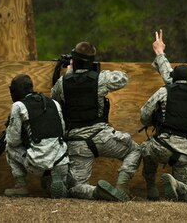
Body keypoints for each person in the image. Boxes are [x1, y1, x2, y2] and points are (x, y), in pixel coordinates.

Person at [51, 42, 140, 202]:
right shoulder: (101, 79)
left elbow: (54, 100)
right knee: (135, 150)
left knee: (75, 186)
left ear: (74, 60)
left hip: (77, 143)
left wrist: (70, 73)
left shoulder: (62, 83)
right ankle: (121, 186)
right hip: (103, 137)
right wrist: (97, 70)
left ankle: (94, 192)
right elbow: (123, 79)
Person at [140, 30, 187, 202]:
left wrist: (153, 122)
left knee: (144, 150)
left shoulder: (165, 91)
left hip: (161, 146)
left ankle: (151, 186)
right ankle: (177, 185)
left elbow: (144, 114)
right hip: (186, 151)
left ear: (173, 78)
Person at [4, 74, 69, 198]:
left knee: (9, 146)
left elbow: (13, 141)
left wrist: (25, 137)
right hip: (61, 162)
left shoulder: (19, 106)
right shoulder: (54, 103)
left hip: (37, 164)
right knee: (47, 185)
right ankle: (54, 181)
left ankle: (21, 186)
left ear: (16, 91)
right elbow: (62, 130)